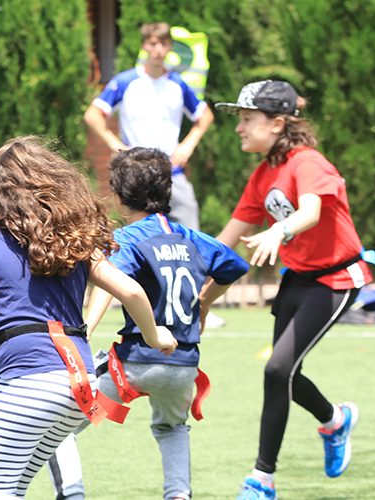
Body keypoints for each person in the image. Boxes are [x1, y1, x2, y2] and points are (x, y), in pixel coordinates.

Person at [0, 137, 178, 499]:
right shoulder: (75, 239)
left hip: (26, 382)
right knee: (13, 489)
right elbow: (131, 292)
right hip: (79, 386)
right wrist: (154, 336)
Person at [46, 147, 249, 500]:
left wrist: (86, 328)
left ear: (119, 196)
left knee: (58, 426)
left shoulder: (129, 239)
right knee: (172, 428)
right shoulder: (193, 238)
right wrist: (205, 301)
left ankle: (72, 494)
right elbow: (233, 267)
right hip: (183, 367)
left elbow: (110, 283)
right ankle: (178, 494)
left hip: (132, 368)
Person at [215, 80, 370, 499]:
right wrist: (186, 267)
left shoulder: (308, 162)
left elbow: (311, 211)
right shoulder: (263, 174)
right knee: (287, 373)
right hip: (298, 278)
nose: (239, 127)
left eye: (247, 119)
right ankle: (335, 421)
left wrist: (278, 231)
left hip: (336, 279)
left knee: (276, 370)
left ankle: (261, 479)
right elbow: (227, 237)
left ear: (277, 123)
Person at [85, 22, 214, 231]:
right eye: (153, 43)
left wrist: (187, 146)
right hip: (137, 172)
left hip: (172, 171)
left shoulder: (178, 84)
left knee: (189, 229)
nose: (158, 50)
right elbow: (92, 114)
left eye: (163, 44)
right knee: (139, 234)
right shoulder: (125, 81)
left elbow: (205, 116)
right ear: (144, 45)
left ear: (170, 47)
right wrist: (115, 145)